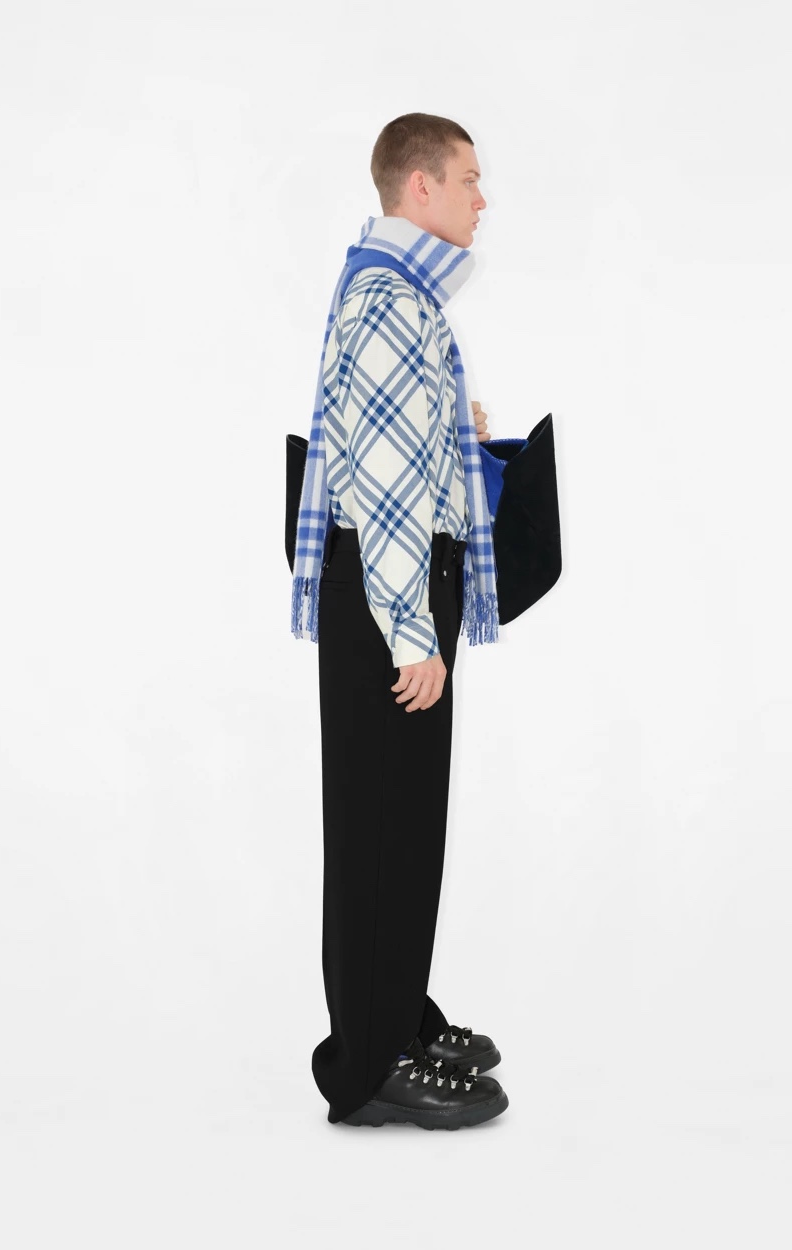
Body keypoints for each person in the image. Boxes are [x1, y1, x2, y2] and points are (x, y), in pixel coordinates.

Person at [292, 113, 510, 1130]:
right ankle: (370, 1063)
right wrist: (411, 630)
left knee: (400, 820)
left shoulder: (398, 295)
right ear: (419, 187)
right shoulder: (389, 302)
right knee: (384, 823)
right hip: (393, 590)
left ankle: (395, 1017)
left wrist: (455, 428)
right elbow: (381, 485)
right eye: (468, 179)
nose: (481, 199)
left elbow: (392, 445)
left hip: (392, 584)